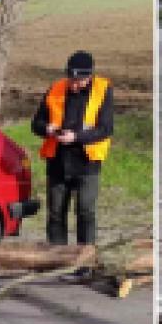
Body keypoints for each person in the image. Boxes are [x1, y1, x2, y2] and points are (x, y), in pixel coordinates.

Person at [31, 51, 114, 254]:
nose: (74, 84)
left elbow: (106, 129)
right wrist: (48, 129)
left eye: (79, 81)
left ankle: (85, 259)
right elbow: (36, 124)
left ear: (89, 76)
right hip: (58, 161)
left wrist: (76, 137)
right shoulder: (55, 88)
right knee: (56, 213)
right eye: (72, 79)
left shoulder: (103, 90)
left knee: (85, 211)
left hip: (87, 163)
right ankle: (58, 258)